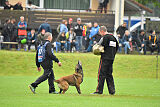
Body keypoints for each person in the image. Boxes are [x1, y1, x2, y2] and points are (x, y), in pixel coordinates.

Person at [91, 26, 119, 95]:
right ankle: (112, 91)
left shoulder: (104, 38)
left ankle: (99, 90)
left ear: (102, 31)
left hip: (105, 58)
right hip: (111, 58)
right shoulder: (114, 38)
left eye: (100, 32)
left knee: (101, 74)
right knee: (109, 75)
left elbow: (98, 46)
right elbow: (117, 47)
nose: (100, 34)